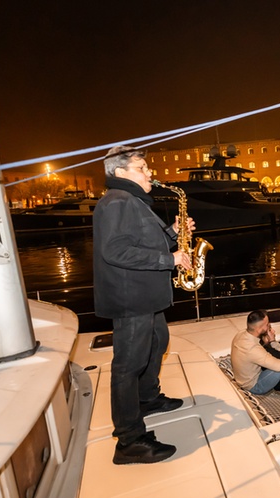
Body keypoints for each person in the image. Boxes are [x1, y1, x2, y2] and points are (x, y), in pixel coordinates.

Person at [94, 146, 193, 465]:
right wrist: (170, 259)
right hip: (131, 299)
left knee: (157, 343)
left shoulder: (132, 201)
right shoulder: (118, 201)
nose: (149, 172)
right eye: (142, 167)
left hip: (145, 297)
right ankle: (129, 440)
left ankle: (148, 399)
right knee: (128, 366)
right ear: (119, 173)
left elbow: (145, 242)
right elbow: (115, 251)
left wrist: (175, 233)